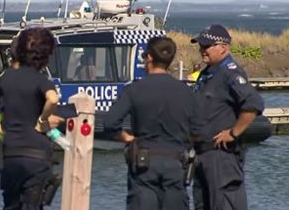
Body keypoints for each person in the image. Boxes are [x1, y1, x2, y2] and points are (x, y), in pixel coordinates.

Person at [0, 27, 61, 210]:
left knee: (11, 205)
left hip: (11, 155)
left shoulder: (7, 78)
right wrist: (42, 120)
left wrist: (0, 127)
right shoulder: (40, 80)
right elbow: (53, 98)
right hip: (36, 157)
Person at [104, 36, 195, 210]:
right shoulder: (186, 92)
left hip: (144, 164)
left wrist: (128, 139)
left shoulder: (135, 89)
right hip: (176, 163)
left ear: (150, 57)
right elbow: (200, 127)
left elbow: (110, 123)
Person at [190, 24, 264, 210]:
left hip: (221, 156)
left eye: (206, 46)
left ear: (222, 47)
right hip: (202, 155)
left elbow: (253, 104)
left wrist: (233, 133)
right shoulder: (208, 74)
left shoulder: (230, 73)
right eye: (201, 46)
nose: (202, 50)